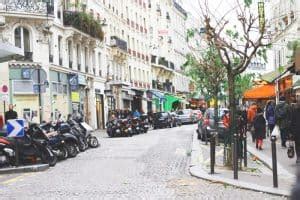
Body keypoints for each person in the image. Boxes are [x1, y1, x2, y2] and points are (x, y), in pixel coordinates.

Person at [291, 96, 300, 164]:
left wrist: (291, 132)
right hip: (296, 130)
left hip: (296, 131)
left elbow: (292, 121)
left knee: (297, 144)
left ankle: (298, 157)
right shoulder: (294, 110)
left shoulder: (294, 110)